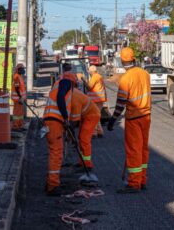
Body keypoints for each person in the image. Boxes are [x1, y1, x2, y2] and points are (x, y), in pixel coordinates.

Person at [108, 47, 151, 194]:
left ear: (121, 60)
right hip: (146, 116)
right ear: (133, 59)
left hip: (133, 117)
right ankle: (142, 180)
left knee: (134, 150)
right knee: (143, 149)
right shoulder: (145, 74)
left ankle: (134, 183)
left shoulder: (125, 79)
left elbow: (120, 103)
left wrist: (113, 120)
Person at [63, 72, 101, 171]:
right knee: (81, 137)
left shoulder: (74, 97)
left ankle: (87, 165)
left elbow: (74, 121)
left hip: (91, 116)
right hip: (86, 114)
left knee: (84, 139)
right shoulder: (70, 93)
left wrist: (70, 135)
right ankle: (82, 162)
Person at [42, 77, 73, 196]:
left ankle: (50, 182)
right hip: (55, 122)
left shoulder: (56, 84)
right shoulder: (66, 82)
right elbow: (60, 98)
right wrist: (65, 117)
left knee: (53, 152)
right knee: (56, 153)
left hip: (50, 121)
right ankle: (53, 186)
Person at [87, 65, 106, 137]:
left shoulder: (94, 77)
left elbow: (89, 86)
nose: (89, 72)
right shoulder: (99, 76)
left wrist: (85, 82)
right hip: (100, 99)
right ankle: (99, 131)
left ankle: (94, 132)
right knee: (97, 115)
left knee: (94, 115)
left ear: (91, 71)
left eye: (89, 71)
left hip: (95, 99)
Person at [11, 63, 26, 130]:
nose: (23, 70)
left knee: (20, 113)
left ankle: (20, 125)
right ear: (18, 70)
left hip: (20, 98)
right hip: (17, 98)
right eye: (21, 69)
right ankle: (16, 126)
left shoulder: (20, 76)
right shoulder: (17, 77)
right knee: (17, 113)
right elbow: (17, 88)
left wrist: (22, 97)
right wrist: (20, 97)